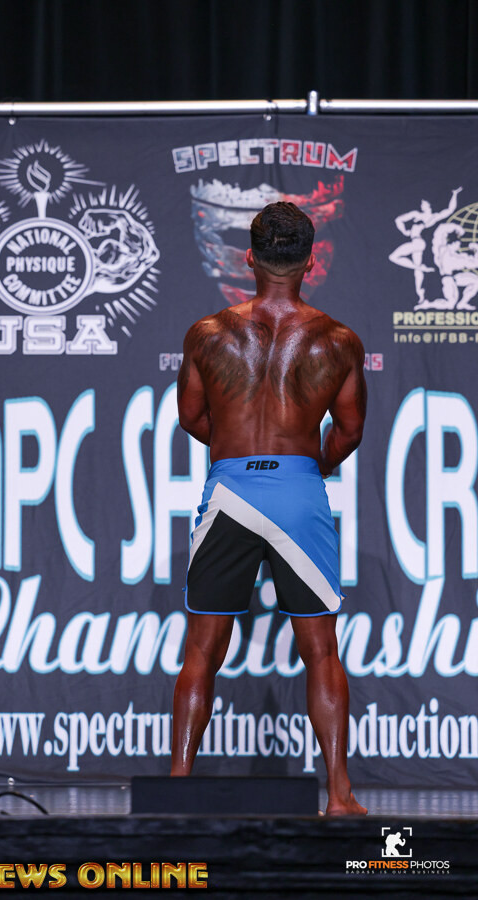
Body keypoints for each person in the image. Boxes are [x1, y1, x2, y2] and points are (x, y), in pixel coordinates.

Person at [171, 201, 367, 817]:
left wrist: (238, 454)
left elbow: (191, 417)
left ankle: (175, 792)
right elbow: (350, 430)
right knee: (321, 651)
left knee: (202, 649)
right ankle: (340, 796)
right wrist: (310, 464)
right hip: (298, 491)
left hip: (231, 490)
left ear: (249, 259)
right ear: (311, 262)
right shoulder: (337, 340)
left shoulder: (207, 334)